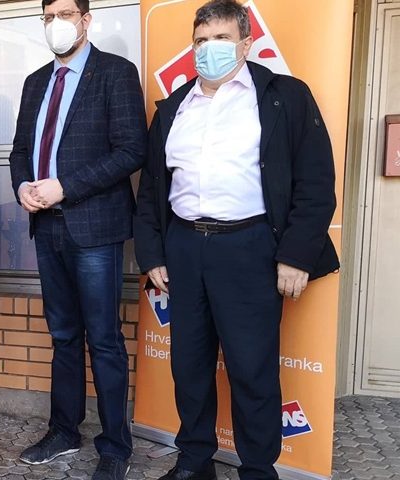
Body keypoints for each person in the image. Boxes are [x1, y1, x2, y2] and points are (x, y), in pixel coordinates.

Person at [133, 1, 339, 478]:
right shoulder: (174, 108)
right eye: (201, 41)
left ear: (246, 43)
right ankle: (194, 461)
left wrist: (295, 255)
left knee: (252, 368)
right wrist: (153, 253)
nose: (210, 49)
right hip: (185, 248)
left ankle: (258, 469)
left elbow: (315, 182)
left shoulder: (284, 97)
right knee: (189, 365)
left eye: (222, 39)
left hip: (250, 248)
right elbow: (152, 191)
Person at [8, 0, 147, 478]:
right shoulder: (35, 82)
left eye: (65, 14)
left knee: (104, 339)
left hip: (95, 227)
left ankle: (115, 448)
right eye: (48, 16)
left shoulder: (115, 73)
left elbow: (131, 149)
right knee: (63, 335)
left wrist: (66, 187)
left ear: (86, 20)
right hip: (46, 226)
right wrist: (22, 186)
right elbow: (21, 150)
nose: (56, 24)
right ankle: (63, 431)